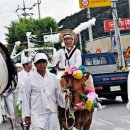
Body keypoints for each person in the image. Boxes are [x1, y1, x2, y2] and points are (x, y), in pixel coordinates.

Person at [22, 53, 66, 130]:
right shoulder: (30, 79)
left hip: (52, 113)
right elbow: (26, 98)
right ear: (35, 64)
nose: (41, 64)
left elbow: (58, 95)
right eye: (39, 62)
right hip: (37, 114)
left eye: (43, 62)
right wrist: (27, 115)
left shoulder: (54, 78)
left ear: (47, 63)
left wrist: (65, 99)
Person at [16, 56, 32, 130]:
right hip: (22, 98)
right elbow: (22, 86)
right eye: (30, 63)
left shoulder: (33, 73)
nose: (31, 65)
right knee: (23, 117)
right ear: (25, 65)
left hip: (33, 99)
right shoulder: (20, 74)